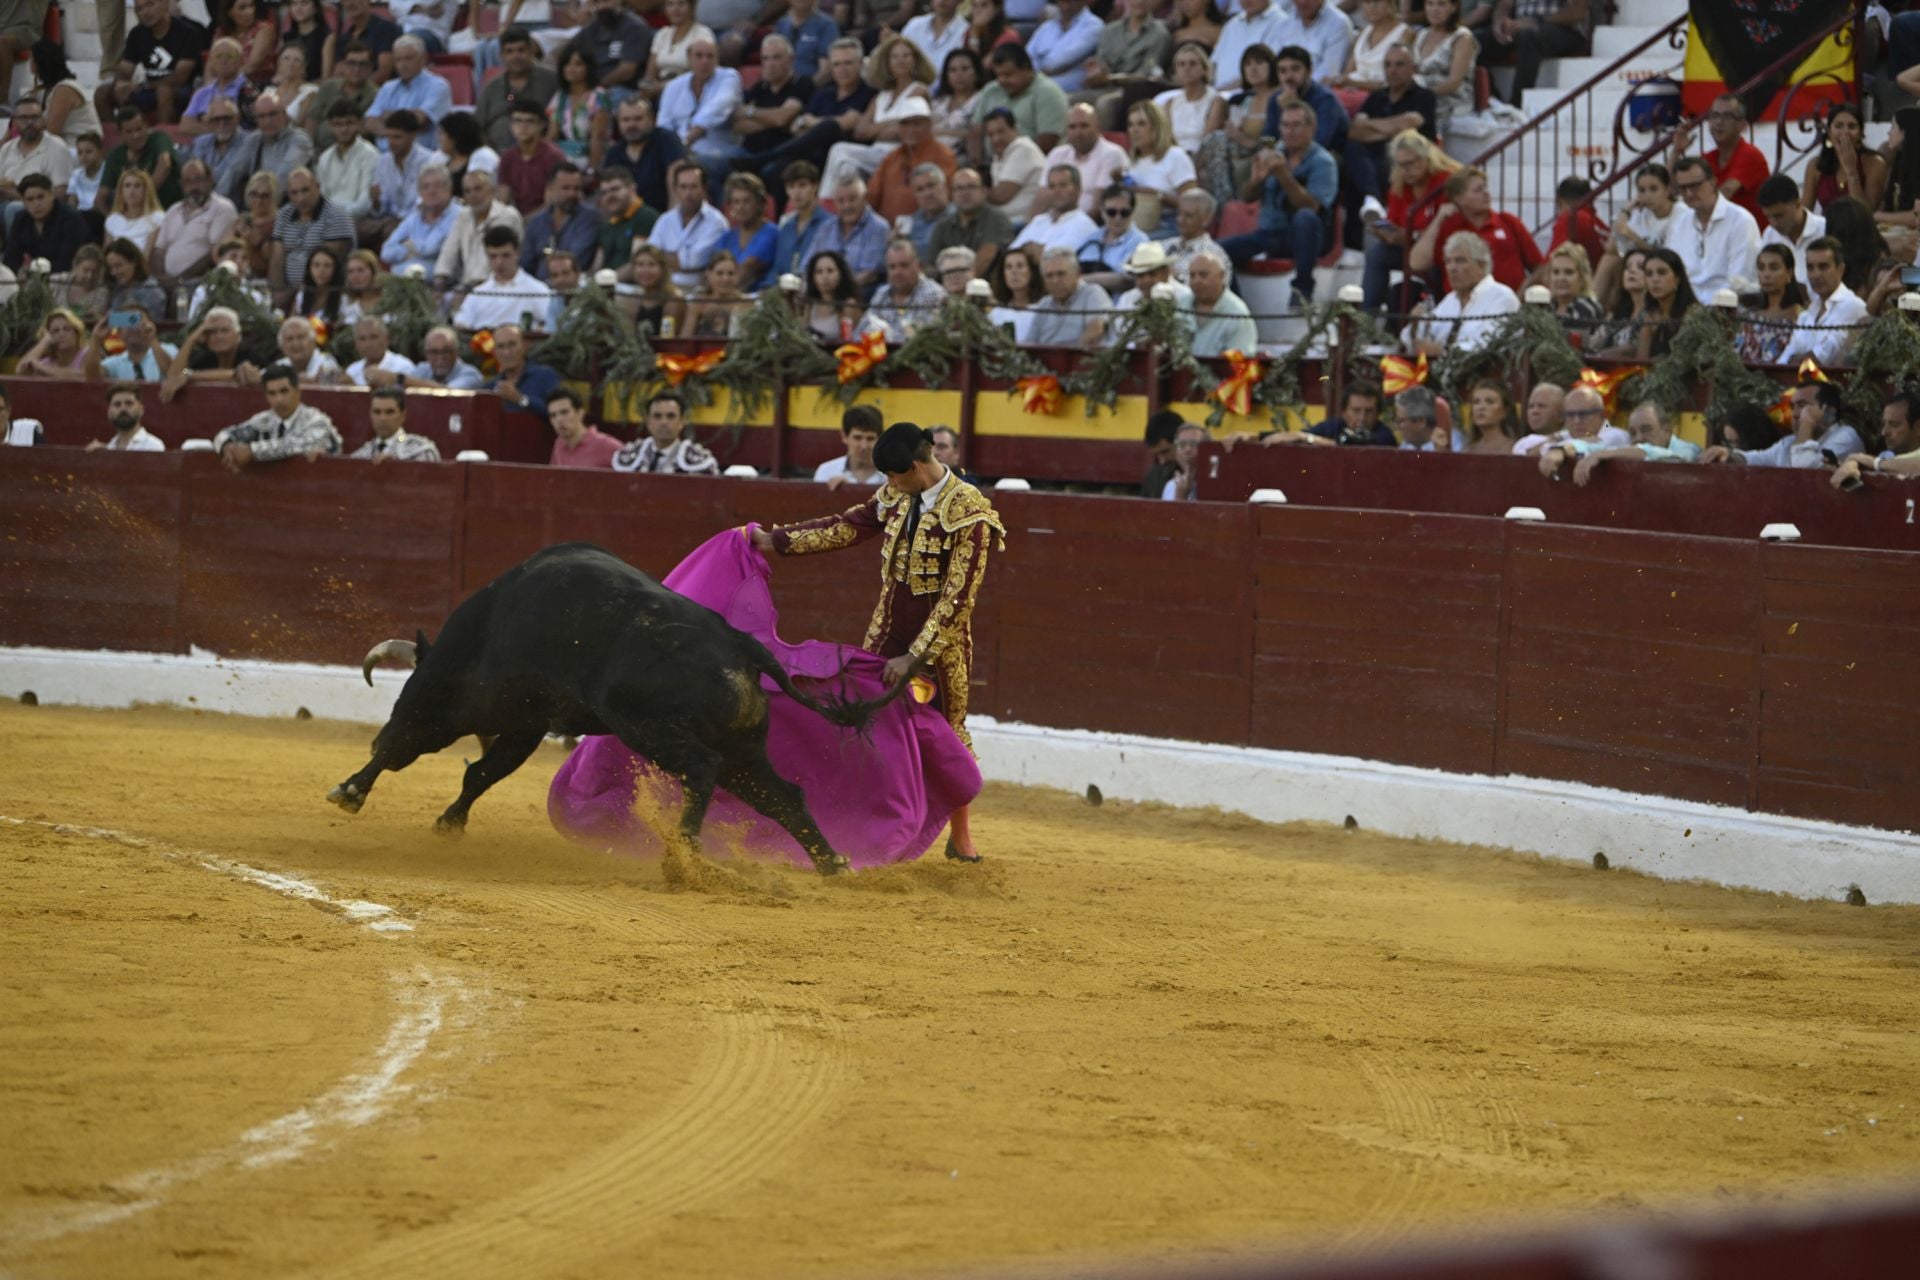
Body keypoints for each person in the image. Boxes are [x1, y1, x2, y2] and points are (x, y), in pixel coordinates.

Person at [753, 421, 1004, 861]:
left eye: (892, 476)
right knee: (866, 724)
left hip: (939, 645)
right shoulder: (895, 495)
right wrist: (771, 542)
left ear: (916, 465)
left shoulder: (970, 511)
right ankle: (863, 823)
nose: (887, 486)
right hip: (887, 632)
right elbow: (844, 528)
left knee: (948, 734)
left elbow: (958, 597)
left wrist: (915, 656)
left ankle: (961, 839)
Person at [1222, 99, 1337, 305]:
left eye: (1296, 125)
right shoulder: (1273, 153)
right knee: (1217, 252)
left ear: (1311, 128)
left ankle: (1302, 290)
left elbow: (1311, 206)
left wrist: (1283, 175)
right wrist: (1256, 179)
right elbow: (1246, 197)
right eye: (1285, 125)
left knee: (1305, 218)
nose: (1290, 131)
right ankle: (1234, 307)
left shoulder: (1323, 161)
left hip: (1304, 238)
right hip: (1269, 233)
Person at [1409, 165, 1541, 295]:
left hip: (1510, 304)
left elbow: (1538, 266)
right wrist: (1438, 219)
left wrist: (1523, 293)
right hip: (1465, 308)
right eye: (1478, 190)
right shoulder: (1448, 228)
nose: (1486, 193)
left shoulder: (1508, 221)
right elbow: (1417, 263)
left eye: (1485, 187)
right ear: (1459, 199)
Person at [1702, 379, 1864, 468]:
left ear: (1828, 411)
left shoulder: (1845, 437)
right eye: (1793, 407)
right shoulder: (1789, 443)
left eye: (1802, 406)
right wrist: (1730, 455)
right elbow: (1759, 458)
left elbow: (1804, 471)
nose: (1794, 414)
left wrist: (1806, 424)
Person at [212, 364, 344, 472]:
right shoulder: (264, 420)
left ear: (297, 392)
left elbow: (295, 444)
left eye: (284, 391)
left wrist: (252, 451)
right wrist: (227, 447)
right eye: (272, 393)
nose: (279, 400)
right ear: (266, 396)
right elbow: (223, 435)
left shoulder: (316, 420)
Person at [1198, 42, 1282, 211]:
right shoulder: (1243, 101)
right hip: (1238, 154)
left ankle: (1224, 208)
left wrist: (1245, 140)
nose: (1253, 69)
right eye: (1247, 64)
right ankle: (1225, 205)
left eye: (1259, 63)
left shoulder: (1280, 98)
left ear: (1271, 66)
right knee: (1215, 140)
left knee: (1217, 140)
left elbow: (1277, 137)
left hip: (1265, 152)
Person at [98, 0, 210, 127]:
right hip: (150, 88)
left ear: (165, 4)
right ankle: (116, 139)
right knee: (102, 93)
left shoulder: (187, 32)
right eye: (139, 9)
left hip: (180, 90)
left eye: (150, 4)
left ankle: (165, 140)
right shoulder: (137, 34)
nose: (145, 12)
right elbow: (125, 69)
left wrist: (143, 86)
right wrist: (120, 83)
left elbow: (180, 78)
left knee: (164, 91)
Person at [1407, 231, 1520, 354]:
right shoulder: (1450, 300)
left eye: (1460, 261)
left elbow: (1487, 347)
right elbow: (1415, 339)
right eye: (1448, 261)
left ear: (1481, 266)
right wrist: (1415, 326)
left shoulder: (1502, 298)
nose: (1452, 268)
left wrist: (1441, 351)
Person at [1669, 93, 1769, 225]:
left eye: (1727, 116)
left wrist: (1688, 207)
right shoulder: (1709, 157)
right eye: (1714, 115)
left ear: (1743, 125)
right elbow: (1671, 189)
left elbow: (1725, 194)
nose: (1718, 122)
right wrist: (1676, 151)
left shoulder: (1750, 155)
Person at [657, 36, 745, 183]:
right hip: (679, 151)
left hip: (719, 150)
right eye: (699, 56)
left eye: (710, 56)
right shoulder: (673, 86)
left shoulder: (729, 77)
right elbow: (663, 125)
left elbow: (720, 106)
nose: (705, 61)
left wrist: (687, 139)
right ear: (689, 58)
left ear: (717, 59)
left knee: (697, 164)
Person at [270, 167, 355, 309]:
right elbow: (277, 259)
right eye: (294, 193)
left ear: (317, 187)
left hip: (320, 292)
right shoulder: (284, 214)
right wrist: (277, 291)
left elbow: (327, 264)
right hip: (288, 291)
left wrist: (293, 294)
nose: (300, 198)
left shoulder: (336, 215)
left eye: (305, 190)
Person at [1593, 163, 1676, 307]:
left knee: (1626, 265)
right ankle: (1594, 307)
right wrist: (1626, 210)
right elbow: (1611, 248)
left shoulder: (1681, 214)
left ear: (1667, 190)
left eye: (1653, 189)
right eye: (1642, 191)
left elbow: (1668, 258)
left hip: (1665, 272)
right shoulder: (1641, 214)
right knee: (1610, 259)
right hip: (1641, 268)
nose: (1647, 196)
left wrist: (1630, 235)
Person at [1779, 236, 1868, 368]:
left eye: (1823, 267)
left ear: (1840, 269)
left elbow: (1823, 357)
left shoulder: (1853, 306)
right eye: (1810, 268)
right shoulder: (1807, 314)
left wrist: (1797, 360)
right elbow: (1784, 359)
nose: (1816, 275)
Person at [1567, 401, 1701, 485]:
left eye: (1646, 429)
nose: (1638, 438)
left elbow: (1661, 455)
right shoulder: (1629, 449)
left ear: (1667, 430)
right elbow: (1592, 446)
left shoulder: (1689, 449)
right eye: (1632, 432)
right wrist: (1559, 451)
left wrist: (1600, 455)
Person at [971, 43, 1068, 156]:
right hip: (992, 165)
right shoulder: (991, 90)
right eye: (998, 75)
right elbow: (975, 131)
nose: (1002, 80)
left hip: (1031, 163)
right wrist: (975, 163)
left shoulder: (1048, 93)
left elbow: (1048, 141)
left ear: (1027, 69)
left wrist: (1012, 160)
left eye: (1008, 74)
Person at [454, 226, 557, 332]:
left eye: (505, 255)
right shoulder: (477, 294)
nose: (499, 262)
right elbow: (461, 324)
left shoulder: (537, 290)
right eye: (493, 256)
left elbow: (550, 326)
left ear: (518, 253)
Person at [435, 167, 523, 289]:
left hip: (498, 286)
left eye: (478, 189)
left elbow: (495, 257)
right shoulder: (463, 216)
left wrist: (468, 291)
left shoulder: (507, 215)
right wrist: (440, 277)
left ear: (492, 190)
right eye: (467, 191)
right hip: (465, 286)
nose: (473, 195)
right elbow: (449, 251)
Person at [652, 160, 733, 292]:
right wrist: (672, 259)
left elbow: (692, 261)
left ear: (704, 189)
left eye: (694, 187)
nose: (688, 193)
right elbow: (651, 256)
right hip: (663, 289)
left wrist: (663, 258)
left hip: (697, 293)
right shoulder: (665, 219)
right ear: (675, 189)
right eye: (683, 187)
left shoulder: (716, 222)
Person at [477, 25, 559, 153]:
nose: (516, 56)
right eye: (509, 52)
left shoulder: (552, 80)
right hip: (496, 154)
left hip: (541, 153)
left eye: (521, 50)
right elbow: (478, 128)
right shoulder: (491, 88)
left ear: (531, 50)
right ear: (502, 55)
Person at [1123, 100, 1197, 238]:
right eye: (1130, 125)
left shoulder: (1175, 156)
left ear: (1157, 127)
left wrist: (1157, 196)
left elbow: (1193, 205)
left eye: (1141, 124)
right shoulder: (1132, 162)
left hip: (1170, 224)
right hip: (1136, 223)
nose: (1134, 130)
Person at [520, 161, 604, 283]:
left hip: (572, 289)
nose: (571, 194)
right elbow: (525, 264)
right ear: (551, 189)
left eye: (576, 188)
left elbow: (576, 259)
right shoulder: (536, 223)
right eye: (565, 188)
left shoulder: (590, 219)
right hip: (537, 292)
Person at [0, 93, 73, 229]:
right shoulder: (7, 148)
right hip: (5, 203)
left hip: (38, 211)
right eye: (23, 118)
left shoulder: (56, 147)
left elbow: (61, 196)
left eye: (34, 117)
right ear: (14, 122)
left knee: (14, 210)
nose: (29, 123)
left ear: (44, 119)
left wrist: (17, 196)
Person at [929, 166, 1012, 281]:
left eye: (971, 187)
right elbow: (931, 265)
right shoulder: (943, 226)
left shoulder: (996, 219)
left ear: (983, 191)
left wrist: (957, 285)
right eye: (959, 188)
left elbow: (985, 259)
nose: (965, 193)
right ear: (952, 194)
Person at [1804, 102, 1886, 216]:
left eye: (1852, 126)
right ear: (1829, 132)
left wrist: (1851, 170)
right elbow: (1805, 213)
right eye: (1839, 126)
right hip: (1828, 230)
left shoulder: (1875, 163)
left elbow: (1865, 213)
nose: (1845, 132)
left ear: (1861, 133)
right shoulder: (1815, 165)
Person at [812, 173, 892, 290]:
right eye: (841, 201)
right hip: (824, 292)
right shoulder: (825, 228)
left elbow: (870, 274)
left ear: (865, 198)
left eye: (852, 199)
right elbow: (808, 264)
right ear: (834, 203)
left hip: (859, 294)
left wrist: (838, 290)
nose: (847, 206)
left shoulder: (879, 227)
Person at [612, 390, 721, 475]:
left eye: (671, 416)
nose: (663, 422)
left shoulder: (700, 462)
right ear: (648, 422)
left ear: (682, 422)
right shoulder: (627, 457)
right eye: (657, 416)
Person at [1411, 0, 1476, 140]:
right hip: (1419, 93)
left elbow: (1454, 83)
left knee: (1414, 109)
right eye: (1430, 4)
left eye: (1441, 4)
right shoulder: (1421, 34)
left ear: (1453, 7)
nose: (1435, 9)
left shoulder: (1462, 37)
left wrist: (1420, 94)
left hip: (1451, 99)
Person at [99, 105, 181, 212]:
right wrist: (114, 222)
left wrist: (143, 196)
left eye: (139, 129)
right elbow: (100, 198)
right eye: (129, 132)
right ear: (120, 134)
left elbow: (165, 164)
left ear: (146, 126)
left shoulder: (159, 139)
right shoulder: (115, 156)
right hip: (135, 217)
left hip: (170, 211)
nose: (136, 135)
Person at [380, 162, 458, 276]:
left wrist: (412, 247)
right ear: (420, 192)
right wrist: (406, 250)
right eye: (425, 187)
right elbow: (386, 252)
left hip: (442, 282)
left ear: (449, 188)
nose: (431, 191)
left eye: (437, 186)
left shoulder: (458, 216)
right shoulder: (414, 218)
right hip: (406, 281)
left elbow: (430, 249)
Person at [1829, 390, 1920, 488]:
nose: (1884, 432)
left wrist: (1873, 462)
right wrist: (1851, 463)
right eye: (1883, 424)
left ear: (1918, 427)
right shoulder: (1886, 455)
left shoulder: (1883, 461)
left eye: (1894, 425)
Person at [1736, 243, 1807, 366]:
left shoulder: (1800, 317)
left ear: (1789, 273)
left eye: (1774, 268)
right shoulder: (1749, 317)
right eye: (1761, 268)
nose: (1766, 274)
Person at [5, 173, 90, 273]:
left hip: (66, 276)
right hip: (33, 277)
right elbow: (11, 258)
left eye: (40, 197)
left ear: (51, 195)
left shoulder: (71, 218)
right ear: (23, 201)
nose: (36, 204)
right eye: (30, 199)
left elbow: (67, 261)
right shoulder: (21, 219)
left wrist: (33, 274)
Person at [867, 236, 947, 341]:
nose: (897, 272)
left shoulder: (933, 294)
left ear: (918, 266)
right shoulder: (882, 293)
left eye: (904, 265)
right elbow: (861, 332)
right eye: (892, 267)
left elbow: (925, 340)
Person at [1028, 246, 1111, 347]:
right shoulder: (1044, 305)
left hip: (1079, 359)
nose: (1055, 281)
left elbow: (1096, 330)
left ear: (1077, 274)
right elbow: (1029, 343)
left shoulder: (1092, 294)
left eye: (1061, 274)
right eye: (1049, 276)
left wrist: (1069, 357)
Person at [368, 36, 453, 132]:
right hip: (384, 147)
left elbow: (419, 120)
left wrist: (386, 116)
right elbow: (369, 121)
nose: (402, 65)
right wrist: (391, 135)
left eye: (408, 59)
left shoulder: (438, 86)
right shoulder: (388, 87)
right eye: (398, 60)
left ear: (423, 59)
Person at [1011, 164, 1099, 255]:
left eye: (1063, 185)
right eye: (1052, 186)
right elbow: (1012, 253)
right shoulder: (1039, 220)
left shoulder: (1083, 225)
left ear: (1078, 189)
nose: (1056, 191)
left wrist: (1028, 251)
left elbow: (1052, 259)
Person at [1628, 246, 1697, 360]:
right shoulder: (1650, 315)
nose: (1655, 279)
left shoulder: (1694, 314)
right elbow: (1641, 363)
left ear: (1677, 278)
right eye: (1649, 274)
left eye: (1662, 273)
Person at [315, 101, 380, 220]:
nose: (344, 129)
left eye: (349, 123)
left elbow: (364, 204)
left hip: (358, 221)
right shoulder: (325, 158)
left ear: (360, 124)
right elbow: (321, 198)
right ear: (330, 126)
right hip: (327, 222)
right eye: (338, 124)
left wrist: (334, 217)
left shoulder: (370, 155)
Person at [1187, 249, 1258, 357]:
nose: (1196, 281)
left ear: (1221, 276)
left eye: (1203, 275)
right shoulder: (1181, 304)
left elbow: (1240, 365)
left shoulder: (1238, 313)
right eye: (1192, 276)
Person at [981, 107, 1046, 224]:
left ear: (1015, 129)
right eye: (991, 135)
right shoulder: (1001, 154)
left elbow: (1001, 195)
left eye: (1001, 131)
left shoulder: (1023, 149)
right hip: (1004, 221)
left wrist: (976, 191)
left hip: (1023, 222)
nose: (996, 139)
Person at [1079, 184, 1148, 294]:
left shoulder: (1140, 242)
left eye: (1124, 213)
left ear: (1133, 212)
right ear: (1102, 211)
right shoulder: (1092, 237)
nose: (1118, 218)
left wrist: (1079, 280)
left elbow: (1126, 280)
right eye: (1111, 212)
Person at [1154, 42, 1221, 153]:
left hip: (1202, 158)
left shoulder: (1215, 101)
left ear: (1204, 69)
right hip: (1175, 157)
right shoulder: (1169, 103)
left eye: (1193, 64)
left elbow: (1208, 141)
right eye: (1181, 64)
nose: (1187, 68)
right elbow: (1166, 139)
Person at [307, 40, 379, 144]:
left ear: (370, 68)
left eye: (362, 64)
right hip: (319, 151)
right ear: (342, 65)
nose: (356, 69)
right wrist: (310, 148)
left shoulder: (376, 95)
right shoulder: (328, 87)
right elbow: (312, 119)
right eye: (351, 63)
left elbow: (364, 129)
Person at [715, 172, 778, 290]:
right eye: (736, 202)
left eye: (746, 201)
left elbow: (746, 272)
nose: (740, 207)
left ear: (760, 203)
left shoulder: (770, 233)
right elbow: (712, 272)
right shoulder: (726, 237)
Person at [483, 322, 561, 415]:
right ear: (494, 352)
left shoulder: (545, 376)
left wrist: (521, 399)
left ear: (524, 346)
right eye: (500, 346)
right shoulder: (489, 388)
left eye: (512, 344)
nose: (507, 352)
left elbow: (560, 413)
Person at [1211, 0, 1288, 93]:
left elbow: (1268, 70)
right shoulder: (1232, 24)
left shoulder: (1282, 22)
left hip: (1251, 97)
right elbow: (1213, 64)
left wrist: (1220, 91)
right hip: (1219, 96)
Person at [85, 305, 177, 382]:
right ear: (119, 333)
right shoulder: (116, 362)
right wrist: (96, 340)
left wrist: (152, 339)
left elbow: (173, 373)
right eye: (127, 322)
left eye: (137, 320)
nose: (133, 328)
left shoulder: (168, 349)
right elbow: (93, 377)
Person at [350, 386, 442, 462]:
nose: (383, 418)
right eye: (377, 412)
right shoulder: (361, 455)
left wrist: (397, 467)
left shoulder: (421, 450)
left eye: (390, 412)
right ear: (370, 415)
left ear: (403, 415)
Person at [547, 385, 623, 468]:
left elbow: (632, 470)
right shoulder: (559, 444)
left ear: (580, 413)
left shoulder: (605, 444)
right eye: (553, 415)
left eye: (564, 412)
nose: (559, 419)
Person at [802, 248, 864, 343]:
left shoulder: (848, 304)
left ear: (840, 274)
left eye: (830, 271)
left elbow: (847, 341)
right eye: (819, 272)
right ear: (813, 278)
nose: (825, 276)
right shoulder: (810, 304)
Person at [627, 244, 689, 337]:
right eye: (640, 264)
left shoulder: (674, 301)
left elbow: (668, 341)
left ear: (663, 269)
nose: (645, 270)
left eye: (651, 265)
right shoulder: (633, 299)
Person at [685, 250, 751, 337]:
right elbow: (685, 338)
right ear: (709, 274)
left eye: (731, 274)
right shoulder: (699, 304)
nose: (726, 279)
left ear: (737, 276)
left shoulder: (746, 304)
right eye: (719, 273)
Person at [86, 382, 167, 453]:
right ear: (109, 412)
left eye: (129, 403)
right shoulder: (110, 447)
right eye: (117, 404)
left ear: (141, 409)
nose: (123, 409)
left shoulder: (153, 446)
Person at [815, 404, 885, 485]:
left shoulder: (892, 476)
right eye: (857, 438)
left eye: (870, 438)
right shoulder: (826, 472)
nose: (864, 446)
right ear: (844, 436)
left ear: (879, 439)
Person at [986, 242, 1043, 341]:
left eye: (1020, 266)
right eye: (1008, 267)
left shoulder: (1043, 309)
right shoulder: (996, 313)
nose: (1014, 272)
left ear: (1032, 271)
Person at [1545, 243, 1604, 337]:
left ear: (1582, 278)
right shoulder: (1547, 306)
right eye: (1556, 272)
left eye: (1569, 272)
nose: (1561, 278)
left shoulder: (1587, 307)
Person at [405, 324, 486, 389]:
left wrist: (403, 380)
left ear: (456, 352)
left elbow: (448, 394)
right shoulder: (422, 370)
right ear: (426, 354)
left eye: (446, 352)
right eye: (434, 352)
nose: (440, 357)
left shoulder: (470, 375)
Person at [346, 315, 417, 387]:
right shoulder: (352, 370)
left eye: (373, 337)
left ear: (387, 339)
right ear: (356, 344)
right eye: (362, 339)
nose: (368, 344)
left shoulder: (403, 367)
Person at [18, 308, 89, 379]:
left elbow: (83, 376)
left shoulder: (87, 354)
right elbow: (21, 371)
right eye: (55, 331)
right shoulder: (48, 362)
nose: (61, 334)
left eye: (67, 329)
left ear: (77, 334)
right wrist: (44, 341)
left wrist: (42, 368)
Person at [1392, 384, 1443, 450]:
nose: (1397, 426)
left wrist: (1440, 455)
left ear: (1421, 421)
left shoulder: (1452, 445)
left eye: (1400, 421)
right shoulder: (1406, 446)